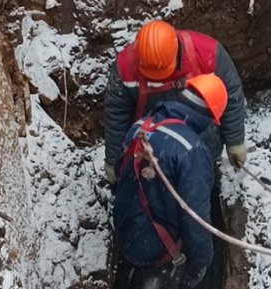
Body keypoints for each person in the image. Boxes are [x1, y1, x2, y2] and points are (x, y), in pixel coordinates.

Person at [107, 74, 228, 289]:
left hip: (129, 232)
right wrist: (201, 260)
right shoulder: (192, 150)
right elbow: (196, 217)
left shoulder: (143, 125)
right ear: (211, 117)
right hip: (157, 250)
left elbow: (122, 173)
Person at [103, 20, 247, 185]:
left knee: (201, 187)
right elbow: (116, 115)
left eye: (162, 72)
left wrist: (235, 142)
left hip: (202, 141)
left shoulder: (209, 53)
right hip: (150, 146)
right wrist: (114, 160)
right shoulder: (125, 66)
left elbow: (232, 95)